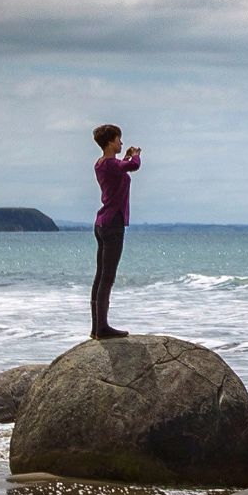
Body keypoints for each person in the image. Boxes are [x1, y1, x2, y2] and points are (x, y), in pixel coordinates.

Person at [89, 124, 141, 339]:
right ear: (110, 142)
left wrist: (126, 157)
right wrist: (135, 155)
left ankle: (97, 327)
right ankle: (102, 327)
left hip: (102, 223)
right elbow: (134, 167)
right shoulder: (111, 164)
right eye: (119, 140)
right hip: (113, 224)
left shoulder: (100, 163)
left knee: (100, 276)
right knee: (107, 277)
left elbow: (122, 166)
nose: (121, 143)